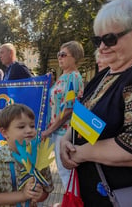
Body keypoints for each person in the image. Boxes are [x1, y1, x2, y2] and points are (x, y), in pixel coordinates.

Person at [60, 0, 132, 206]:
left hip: (129, 196)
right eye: (97, 40)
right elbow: (81, 115)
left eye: (110, 39)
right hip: (94, 194)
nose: (102, 47)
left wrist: (79, 154)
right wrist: (66, 141)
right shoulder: (104, 75)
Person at [0, 103, 54, 206]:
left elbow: (46, 191)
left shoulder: (39, 157)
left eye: (32, 126)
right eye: (21, 127)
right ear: (5, 133)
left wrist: (39, 194)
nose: (29, 130)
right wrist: (23, 195)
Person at [41, 41, 84, 188]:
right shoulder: (63, 77)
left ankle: (72, 202)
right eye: (59, 54)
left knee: (67, 173)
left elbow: (68, 110)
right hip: (56, 131)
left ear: (75, 57)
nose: (60, 57)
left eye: (64, 55)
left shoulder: (73, 77)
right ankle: (69, 200)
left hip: (64, 132)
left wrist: (49, 130)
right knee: (62, 170)